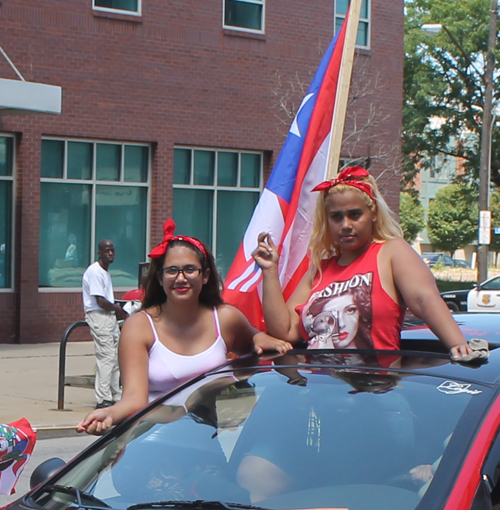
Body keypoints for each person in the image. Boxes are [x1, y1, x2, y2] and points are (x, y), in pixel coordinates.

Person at [77, 220, 291, 435]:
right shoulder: (139, 326)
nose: (181, 278)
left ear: (205, 276)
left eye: (190, 270)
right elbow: (134, 398)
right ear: (160, 278)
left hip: (206, 440)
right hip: (149, 441)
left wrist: (257, 339)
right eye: (172, 271)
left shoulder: (226, 318)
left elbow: (256, 357)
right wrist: (110, 414)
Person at [252, 165, 473, 360]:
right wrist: (270, 271)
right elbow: (287, 330)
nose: (346, 225)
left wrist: (457, 344)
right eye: (336, 217)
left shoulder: (391, 251)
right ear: (327, 220)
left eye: (355, 215)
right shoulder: (319, 269)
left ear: (373, 213)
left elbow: (424, 300)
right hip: (319, 395)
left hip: (376, 393)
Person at [82, 239, 127, 410]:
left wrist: (116, 309)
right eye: (107, 251)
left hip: (108, 316)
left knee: (115, 357)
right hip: (98, 315)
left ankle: (115, 394)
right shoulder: (94, 272)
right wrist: (118, 309)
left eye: (112, 250)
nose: (110, 254)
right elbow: (100, 301)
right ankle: (103, 399)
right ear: (99, 253)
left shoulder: (105, 272)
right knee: (106, 357)